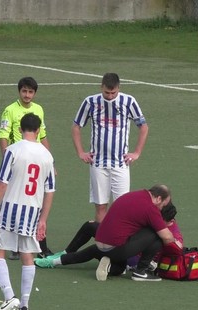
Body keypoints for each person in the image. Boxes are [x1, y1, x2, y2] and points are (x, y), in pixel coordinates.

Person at [0, 113, 55, 310]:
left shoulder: (12, 150)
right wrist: (43, 219)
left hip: (10, 208)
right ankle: (24, 306)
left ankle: (9, 296)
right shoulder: (47, 156)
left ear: (20, 129)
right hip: (32, 211)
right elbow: (50, 190)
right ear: (39, 130)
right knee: (28, 256)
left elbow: (2, 183)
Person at [41, 185, 176, 282]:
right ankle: (140, 272)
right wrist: (176, 242)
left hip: (101, 240)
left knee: (104, 253)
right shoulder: (151, 209)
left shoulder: (134, 195)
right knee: (156, 235)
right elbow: (167, 238)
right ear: (158, 199)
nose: (161, 208)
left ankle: (57, 259)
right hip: (116, 247)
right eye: (163, 205)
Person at [72, 72, 148, 223]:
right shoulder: (90, 102)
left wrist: (137, 152)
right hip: (98, 163)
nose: (110, 96)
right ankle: (102, 244)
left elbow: (143, 127)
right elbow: (76, 127)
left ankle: (119, 242)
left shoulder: (128, 101)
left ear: (119, 88)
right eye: (107, 92)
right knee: (100, 206)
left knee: (123, 206)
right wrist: (80, 152)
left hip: (120, 163)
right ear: (101, 87)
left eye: (114, 93)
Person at [35, 201, 183, 272]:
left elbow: (178, 247)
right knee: (90, 225)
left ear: (169, 221)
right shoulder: (152, 218)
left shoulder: (171, 233)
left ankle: (55, 262)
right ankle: (67, 252)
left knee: (96, 249)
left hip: (131, 256)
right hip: (122, 241)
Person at [0, 76, 53, 259]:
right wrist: (8, 160)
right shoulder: (10, 110)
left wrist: (51, 163)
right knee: (16, 200)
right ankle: (15, 245)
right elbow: (3, 136)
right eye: (24, 91)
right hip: (19, 161)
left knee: (35, 200)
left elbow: (43, 136)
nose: (27, 95)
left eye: (30, 92)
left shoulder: (39, 110)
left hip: (36, 161)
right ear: (19, 91)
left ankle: (40, 245)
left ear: (35, 93)